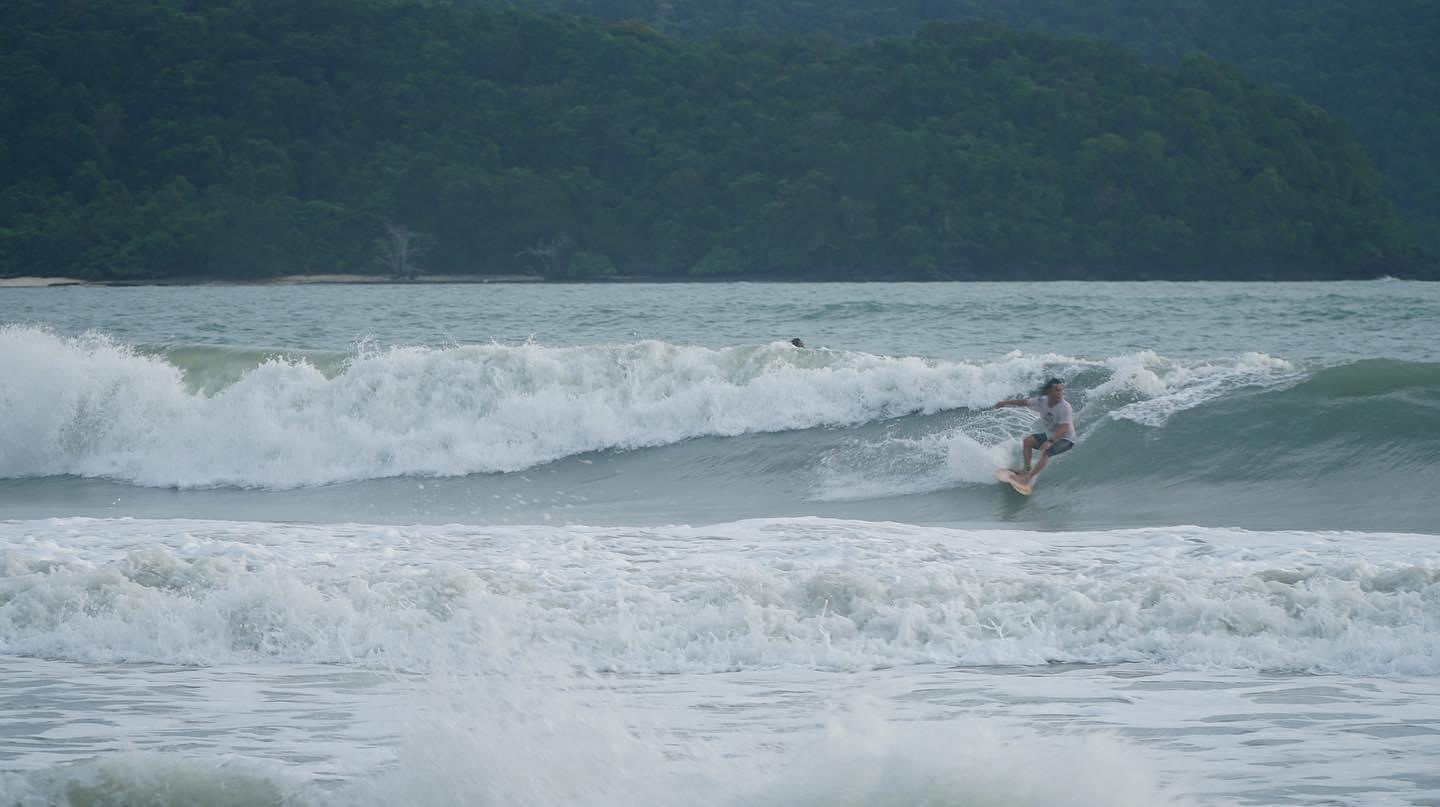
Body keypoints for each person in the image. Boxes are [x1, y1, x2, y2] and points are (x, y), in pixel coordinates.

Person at [992, 378, 1075, 484]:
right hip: (1051, 434)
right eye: (1057, 390)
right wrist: (1003, 402)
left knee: (1046, 452)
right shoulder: (1041, 402)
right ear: (1049, 391)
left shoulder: (1065, 407)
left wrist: (1050, 441)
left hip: (1066, 438)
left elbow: (1065, 428)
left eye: (1061, 390)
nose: (1060, 393)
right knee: (1027, 441)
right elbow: (1023, 402)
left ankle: (1028, 478)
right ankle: (1025, 470)